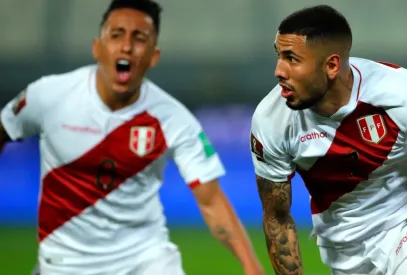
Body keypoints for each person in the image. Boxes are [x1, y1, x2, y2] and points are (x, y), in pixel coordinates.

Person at [0, 0, 264, 274]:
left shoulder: (173, 119)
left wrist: (252, 267)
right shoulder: (49, 96)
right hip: (63, 264)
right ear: (97, 47)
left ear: (153, 56)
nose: (126, 46)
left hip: (145, 262)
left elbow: (211, 201)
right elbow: (4, 128)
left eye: (139, 38)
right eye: (116, 35)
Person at [250, 4, 407, 275]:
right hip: (344, 253)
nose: (279, 71)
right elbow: (277, 217)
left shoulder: (400, 92)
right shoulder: (271, 120)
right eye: (278, 56)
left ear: (331, 65)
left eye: (291, 59)